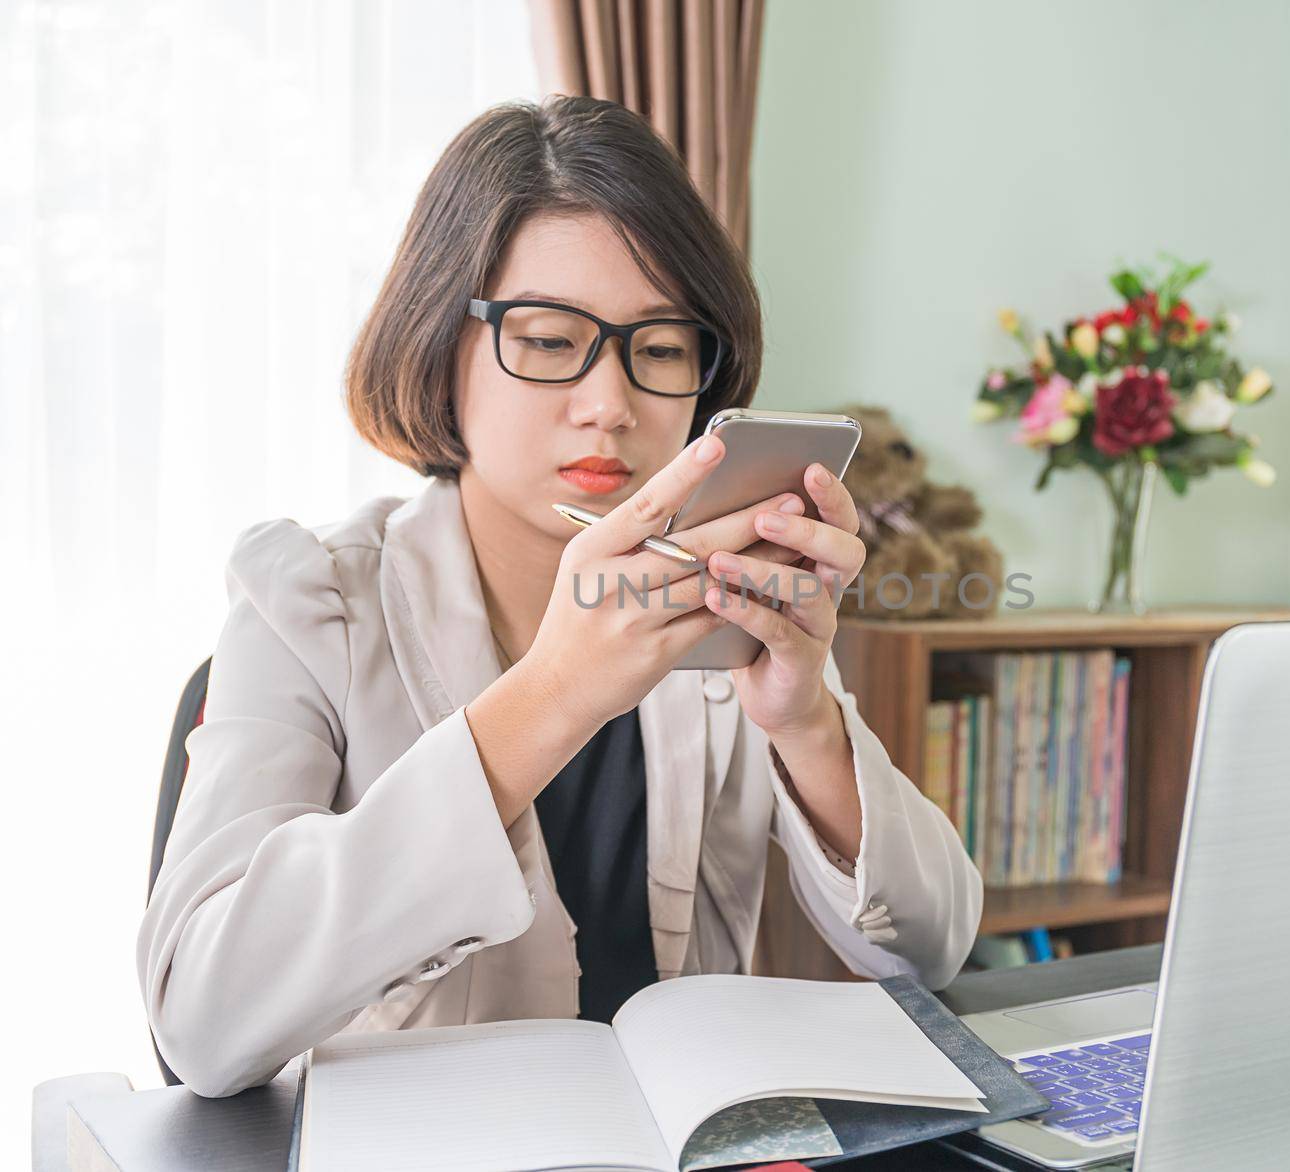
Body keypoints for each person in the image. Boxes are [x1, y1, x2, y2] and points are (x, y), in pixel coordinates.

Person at [137, 96, 983, 1099]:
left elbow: (930, 947)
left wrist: (804, 722)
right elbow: (200, 1017)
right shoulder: (310, 600)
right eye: (546, 339)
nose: (609, 403)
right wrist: (557, 690)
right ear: (437, 348)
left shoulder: (718, 591)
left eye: (661, 347)